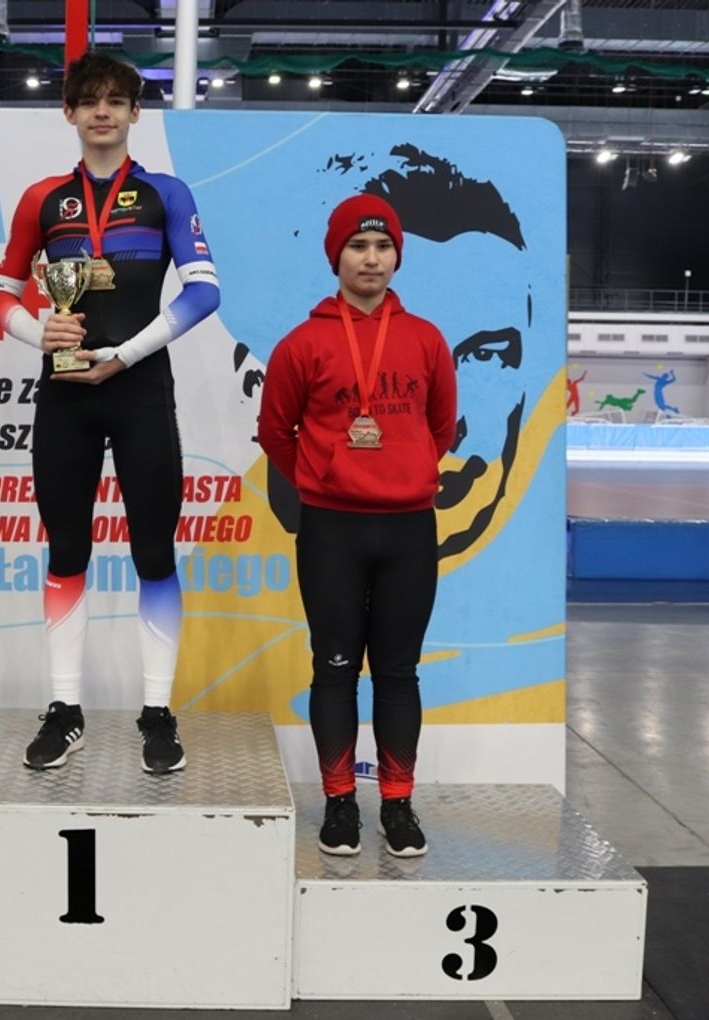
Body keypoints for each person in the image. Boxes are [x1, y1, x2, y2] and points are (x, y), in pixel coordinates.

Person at [0, 52, 220, 774]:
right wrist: (39, 332)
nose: (102, 112)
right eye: (89, 100)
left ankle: (157, 713)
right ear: (69, 112)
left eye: (116, 100)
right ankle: (65, 710)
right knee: (66, 553)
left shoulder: (165, 193)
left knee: (154, 554)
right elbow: (0, 295)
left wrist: (126, 353)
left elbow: (204, 291)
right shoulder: (42, 199)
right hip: (65, 398)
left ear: (134, 113)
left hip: (139, 389)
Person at [257, 194, 456, 856]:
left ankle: (397, 804)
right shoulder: (302, 343)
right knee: (335, 668)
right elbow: (275, 432)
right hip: (332, 531)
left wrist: (406, 469)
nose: (371, 259)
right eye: (358, 246)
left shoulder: (426, 339)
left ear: (398, 256)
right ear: (335, 256)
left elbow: (440, 427)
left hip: (408, 530)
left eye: (383, 246)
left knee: (398, 672)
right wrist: (325, 476)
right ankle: (340, 802)